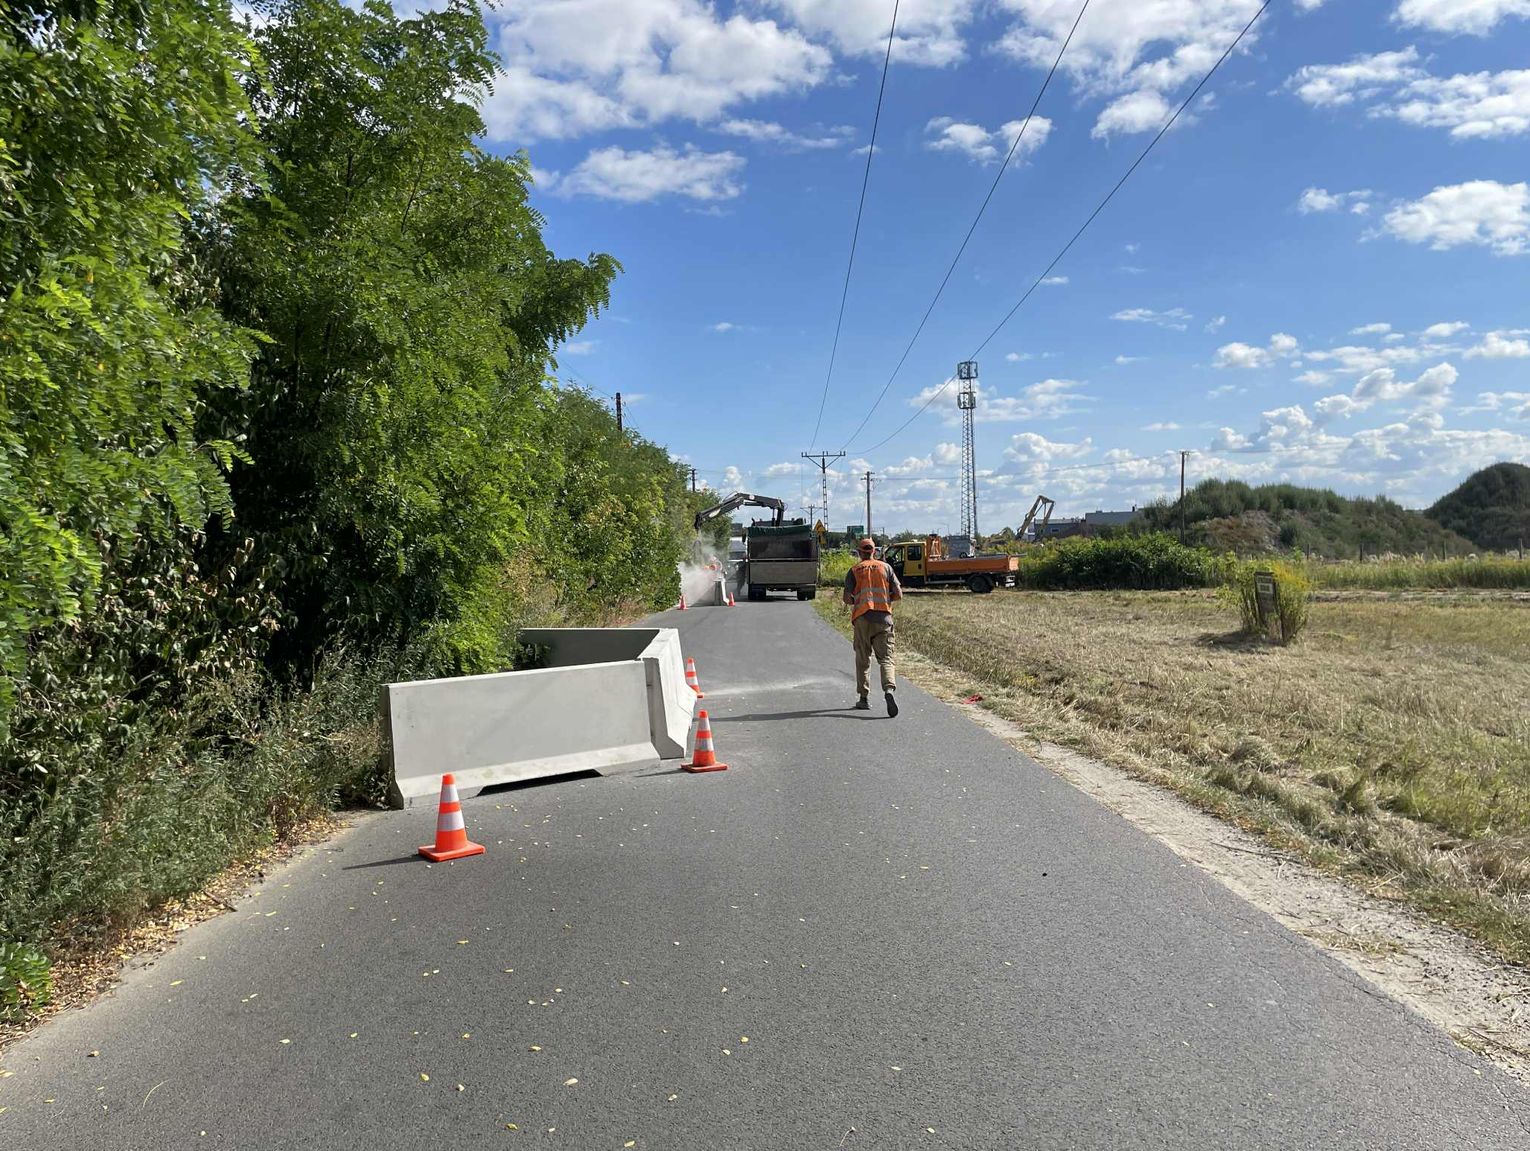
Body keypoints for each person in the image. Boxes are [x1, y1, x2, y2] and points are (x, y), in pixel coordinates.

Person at [842, 537, 902, 716]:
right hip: (883, 619)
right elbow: (898, 594)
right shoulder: (886, 568)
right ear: (874, 551)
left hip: (862, 619)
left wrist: (856, 600)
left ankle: (864, 698)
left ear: (860, 553)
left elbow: (846, 598)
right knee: (886, 658)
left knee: (863, 659)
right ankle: (889, 689)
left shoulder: (854, 570)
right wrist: (885, 599)